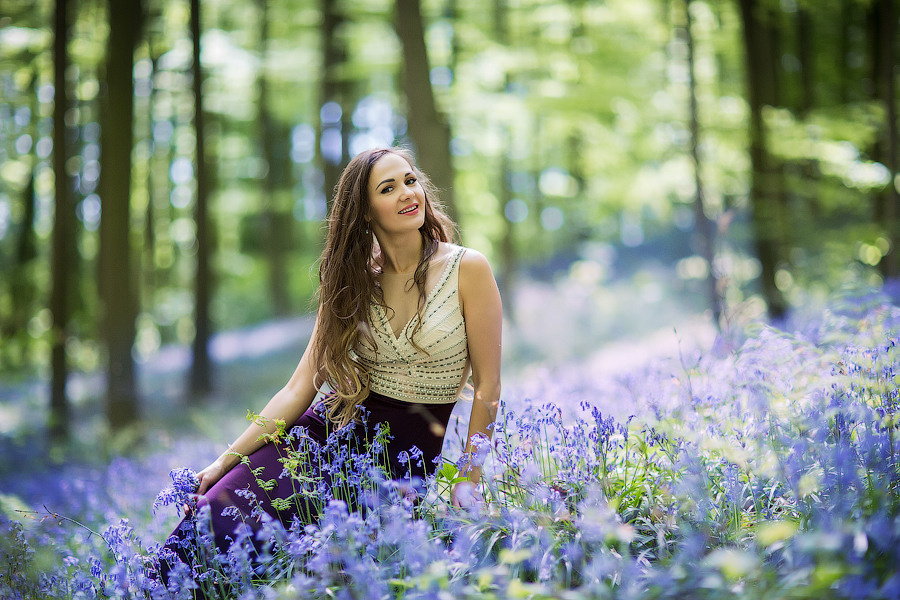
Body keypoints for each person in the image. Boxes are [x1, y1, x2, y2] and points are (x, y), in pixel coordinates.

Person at [157, 147, 502, 586]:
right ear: (364, 211)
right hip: (325, 436)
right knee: (215, 514)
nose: (407, 193)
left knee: (329, 571)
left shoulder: (466, 268)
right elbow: (298, 388)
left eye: (410, 180)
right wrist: (225, 461)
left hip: (396, 464)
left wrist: (469, 481)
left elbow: (488, 386)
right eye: (388, 188)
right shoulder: (354, 280)